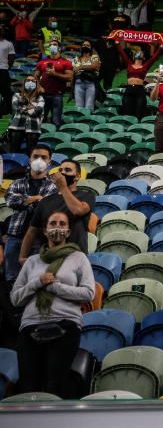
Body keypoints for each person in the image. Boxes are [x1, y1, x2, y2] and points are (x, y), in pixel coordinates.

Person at [10, 209, 95, 398]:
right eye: (53, 224)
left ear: (69, 231)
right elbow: (15, 298)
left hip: (65, 325)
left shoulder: (78, 258)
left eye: (62, 224)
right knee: (29, 386)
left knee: (55, 385)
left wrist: (54, 287)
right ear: (45, 230)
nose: (57, 228)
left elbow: (88, 293)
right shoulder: (32, 261)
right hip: (31, 327)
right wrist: (37, 283)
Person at [18, 159, 94, 262]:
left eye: (67, 170)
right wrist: (22, 256)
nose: (63, 173)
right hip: (48, 256)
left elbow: (78, 210)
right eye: (60, 170)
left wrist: (63, 187)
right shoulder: (45, 201)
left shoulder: (86, 195)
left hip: (76, 257)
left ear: (77, 176)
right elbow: (32, 231)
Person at [5, 145, 57, 283]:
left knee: (34, 278)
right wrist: (36, 199)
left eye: (43, 157)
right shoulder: (17, 183)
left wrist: (25, 200)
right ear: (29, 160)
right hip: (14, 236)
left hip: (39, 239)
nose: (39, 160)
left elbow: (46, 207)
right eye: (36, 156)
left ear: (49, 162)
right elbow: (10, 200)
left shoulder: (53, 186)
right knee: (11, 277)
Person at [117, 42, 163, 119]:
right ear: (134, 56)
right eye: (138, 53)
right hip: (129, 89)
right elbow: (122, 53)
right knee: (127, 111)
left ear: (144, 57)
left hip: (139, 90)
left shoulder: (145, 66)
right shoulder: (129, 64)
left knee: (139, 111)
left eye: (141, 53)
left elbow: (154, 57)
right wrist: (117, 42)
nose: (140, 54)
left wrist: (161, 46)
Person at [34, 43, 72, 127]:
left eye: (54, 44)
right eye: (50, 45)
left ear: (59, 48)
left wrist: (54, 74)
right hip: (43, 95)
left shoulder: (66, 62)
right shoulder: (41, 62)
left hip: (57, 94)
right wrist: (39, 87)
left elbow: (69, 77)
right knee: (40, 120)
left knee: (56, 120)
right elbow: (35, 76)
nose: (52, 46)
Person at [7, 76, 45, 153]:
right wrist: (31, 107)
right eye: (28, 80)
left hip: (34, 127)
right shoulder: (17, 95)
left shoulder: (40, 98)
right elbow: (16, 108)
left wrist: (23, 108)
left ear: (36, 84)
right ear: (24, 83)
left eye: (33, 81)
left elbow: (37, 111)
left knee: (31, 152)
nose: (30, 82)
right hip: (16, 126)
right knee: (14, 151)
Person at [71, 41, 100, 114]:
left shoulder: (94, 57)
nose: (85, 46)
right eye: (83, 45)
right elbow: (74, 71)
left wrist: (80, 67)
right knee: (79, 107)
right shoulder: (76, 58)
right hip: (78, 83)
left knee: (89, 107)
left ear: (91, 48)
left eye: (87, 45)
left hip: (90, 83)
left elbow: (94, 66)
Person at [0, 28, 14, 116]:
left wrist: (8, 67)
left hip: (3, 70)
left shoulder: (9, 43)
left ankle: (7, 110)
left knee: (6, 92)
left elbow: (11, 57)